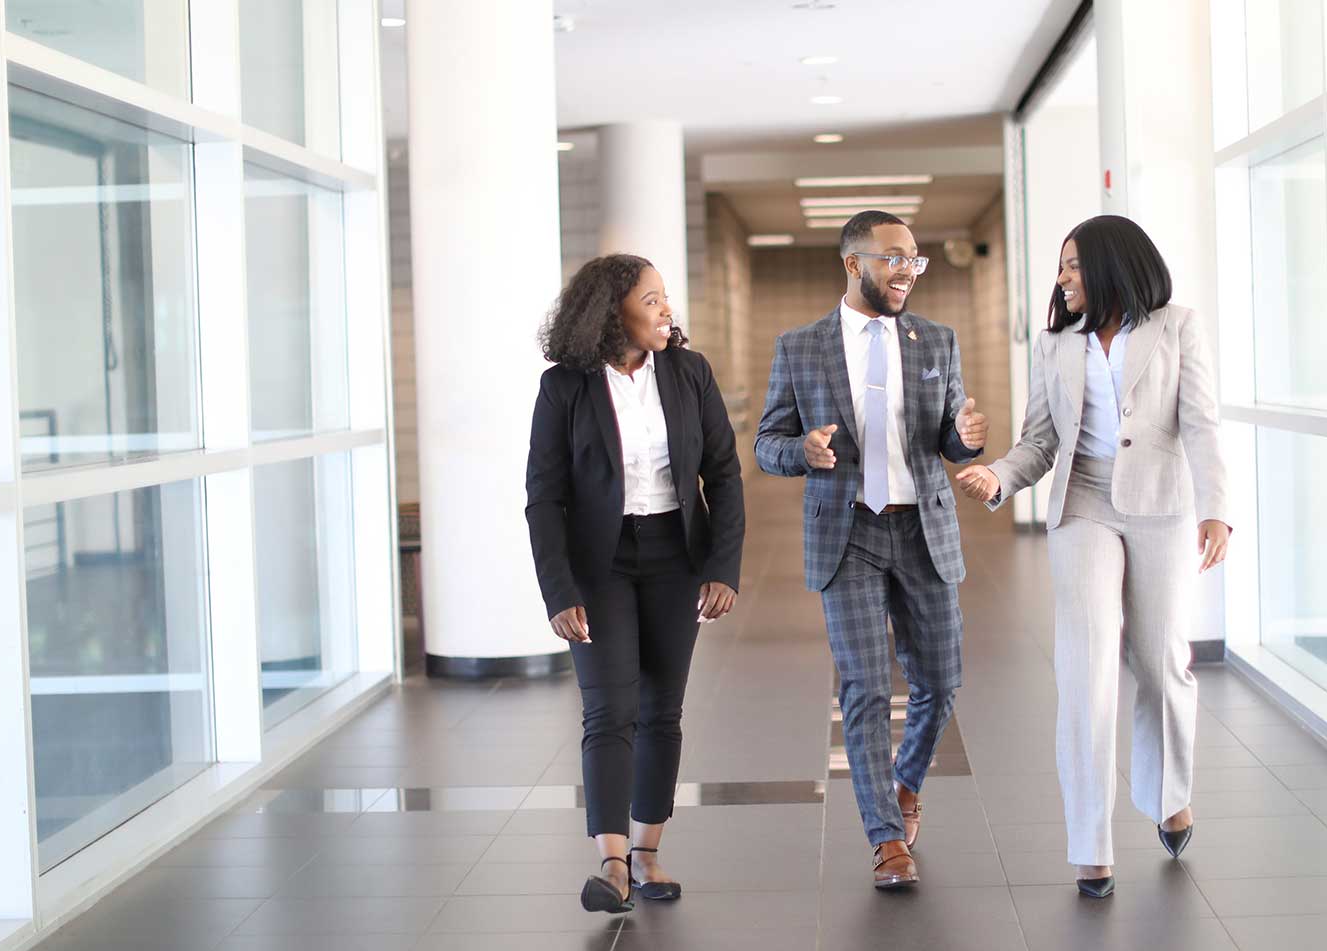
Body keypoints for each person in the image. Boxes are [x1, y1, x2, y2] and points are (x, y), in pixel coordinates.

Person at [955, 215, 1230, 898]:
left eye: (1074, 265)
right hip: (1083, 504)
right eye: (1062, 266)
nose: (1063, 278)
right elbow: (1039, 441)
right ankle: (1090, 844)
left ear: (1112, 264)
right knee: (1085, 673)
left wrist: (1216, 508)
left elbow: (1200, 422)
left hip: (1161, 505)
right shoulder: (1057, 346)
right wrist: (1000, 478)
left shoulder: (1176, 326)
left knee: (1161, 664)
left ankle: (1168, 793)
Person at [755, 210, 988, 889]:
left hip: (923, 531)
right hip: (846, 532)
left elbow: (948, 439)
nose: (907, 269)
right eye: (892, 257)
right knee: (862, 687)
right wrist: (801, 450)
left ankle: (906, 781)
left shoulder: (935, 340)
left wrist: (966, 436)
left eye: (914, 258)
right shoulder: (800, 347)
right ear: (853, 264)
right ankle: (886, 839)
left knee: (941, 680)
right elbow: (767, 443)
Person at [525, 253, 745, 914]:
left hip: (676, 555)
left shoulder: (688, 372)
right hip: (601, 564)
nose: (665, 310)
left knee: (661, 709)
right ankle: (613, 863)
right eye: (652, 300)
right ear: (610, 309)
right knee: (607, 708)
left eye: (664, 299)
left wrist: (721, 567)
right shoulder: (565, 387)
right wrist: (558, 591)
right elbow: (544, 497)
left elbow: (724, 475)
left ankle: (648, 851)